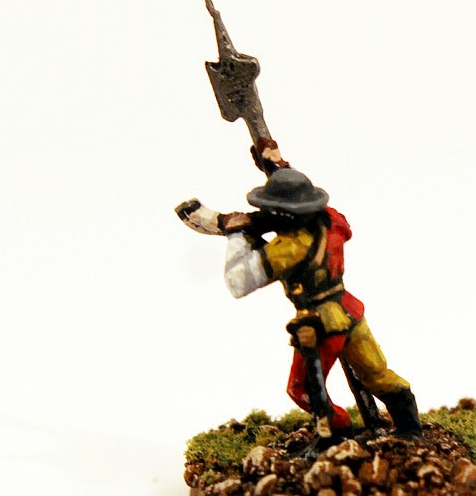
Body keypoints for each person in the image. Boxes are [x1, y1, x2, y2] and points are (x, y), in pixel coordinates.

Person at [176, 162, 421, 449]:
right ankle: (410, 427)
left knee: (302, 389)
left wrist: (237, 233)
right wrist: (278, 167)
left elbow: (237, 282)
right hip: (349, 309)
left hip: (321, 323)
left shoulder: (286, 249)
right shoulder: (333, 221)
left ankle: (337, 430)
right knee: (376, 373)